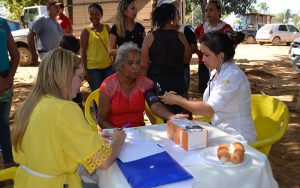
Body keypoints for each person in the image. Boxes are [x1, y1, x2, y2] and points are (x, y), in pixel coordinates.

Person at [13, 48, 125, 188]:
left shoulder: (29, 105)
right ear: (65, 76)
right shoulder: (65, 109)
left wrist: (90, 138)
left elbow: (52, 141)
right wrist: (119, 140)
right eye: (79, 77)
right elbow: (103, 161)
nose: (81, 84)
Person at [159, 31, 256, 143]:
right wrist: (184, 100)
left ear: (220, 56)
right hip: (221, 132)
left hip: (238, 138)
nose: (203, 59)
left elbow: (208, 109)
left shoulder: (232, 76)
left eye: (206, 55)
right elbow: (209, 101)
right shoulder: (216, 71)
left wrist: (178, 101)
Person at [98, 42, 188, 129]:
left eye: (138, 62)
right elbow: (102, 120)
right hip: (115, 132)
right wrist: (117, 133)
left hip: (138, 131)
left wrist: (171, 116)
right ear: (119, 65)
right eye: (130, 63)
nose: (135, 67)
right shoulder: (108, 86)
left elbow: (155, 104)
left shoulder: (145, 83)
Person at [141, 3, 192, 114]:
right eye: (177, 15)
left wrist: (143, 85)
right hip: (177, 83)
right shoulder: (180, 36)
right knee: (182, 114)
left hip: (156, 84)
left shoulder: (150, 37)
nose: (178, 18)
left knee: (159, 115)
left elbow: (144, 65)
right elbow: (186, 60)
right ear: (171, 18)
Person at [195, 0, 233, 94]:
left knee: (219, 91)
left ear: (219, 11)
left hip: (221, 66)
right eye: (206, 10)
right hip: (204, 65)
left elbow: (231, 48)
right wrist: (199, 52)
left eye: (211, 10)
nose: (207, 13)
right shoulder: (200, 28)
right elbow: (192, 41)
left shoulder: (227, 28)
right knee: (204, 90)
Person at [80, 3, 114, 92]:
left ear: (101, 15)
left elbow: (113, 46)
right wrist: (85, 70)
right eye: (91, 14)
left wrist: (114, 62)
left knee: (109, 92)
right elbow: (83, 51)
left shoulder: (107, 28)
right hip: (93, 70)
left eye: (96, 14)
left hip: (108, 68)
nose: (94, 17)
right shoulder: (85, 31)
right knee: (97, 95)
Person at [0, 17, 20, 168]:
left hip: (6, 78)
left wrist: (7, 80)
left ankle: (8, 161)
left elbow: (16, 55)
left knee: (3, 122)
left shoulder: (2, 23)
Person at [27, 0, 65, 64]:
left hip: (56, 54)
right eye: (56, 7)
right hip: (46, 54)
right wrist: (34, 54)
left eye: (59, 7)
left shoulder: (57, 23)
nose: (58, 9)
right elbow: (30, 36)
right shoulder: (42, 19)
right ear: (48, 8)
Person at [59, 35, 83, 110]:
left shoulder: (60, 61)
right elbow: (81, 77)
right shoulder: (76, 60)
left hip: (64, 94)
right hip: (73, 93)